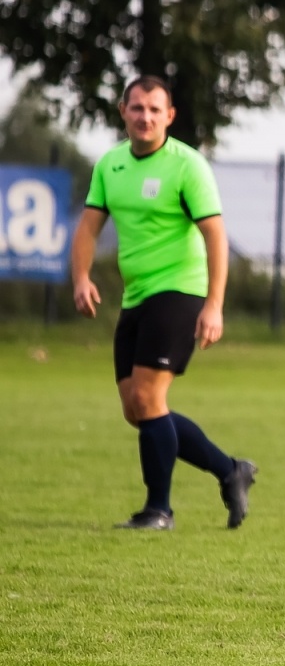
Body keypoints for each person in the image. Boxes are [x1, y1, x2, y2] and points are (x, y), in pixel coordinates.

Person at [70, 76, 256, 531]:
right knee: (137, 407)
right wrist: (80, 278)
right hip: (137, 296)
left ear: (169, 116)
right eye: (137, 108)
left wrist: (214, 305)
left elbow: (215, 235)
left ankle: (158, 510)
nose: (145, 117)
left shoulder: (187, 166)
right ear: (123, 111)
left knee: (150, 397)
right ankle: (231, 470)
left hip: (181, 291)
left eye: (155, 109)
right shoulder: (110, 165)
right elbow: (89, 227)